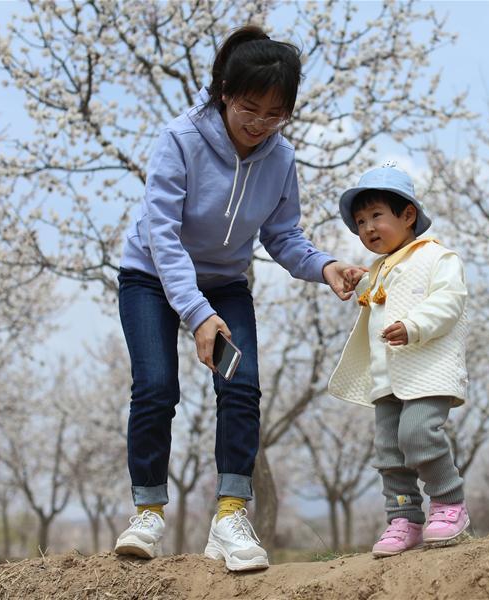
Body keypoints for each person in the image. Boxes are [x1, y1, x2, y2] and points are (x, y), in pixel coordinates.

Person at [113, 25, 358, 571]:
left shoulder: (281, 158)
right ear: (225, 92)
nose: (259, 124)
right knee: (156, 387)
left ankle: (229, 516)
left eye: (275, 114)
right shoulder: (180, 139)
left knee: (241, 386)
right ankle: (147, 513)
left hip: (225, 281)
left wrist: (326, 267)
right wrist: (197, 314)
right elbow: (162, 235)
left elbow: (284, 236)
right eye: (250, 108)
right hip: (151, 275)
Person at [328, 162, 470, 557]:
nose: (368, 228)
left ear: (408, 215)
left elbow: (449, 302)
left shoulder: (437, 257)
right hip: (386, 376)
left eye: (377, 215)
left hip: (427, 371)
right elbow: (378, 295)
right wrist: (358, 279)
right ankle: (404, 518)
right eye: (360, 222)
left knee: (418, 434)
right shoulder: (379, 268)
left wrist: (414, 325)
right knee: (389, 451)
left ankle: (449, 503)